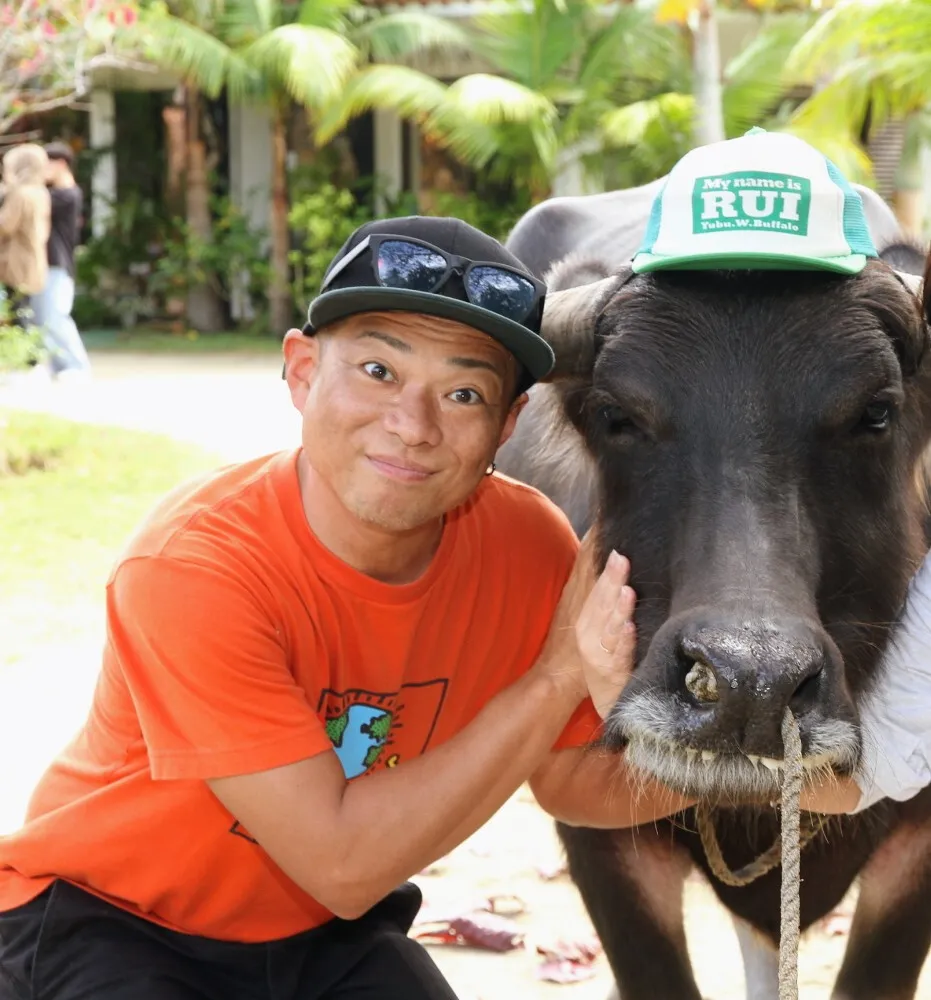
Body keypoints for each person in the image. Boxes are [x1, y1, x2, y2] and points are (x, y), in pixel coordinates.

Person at [0, 211, 927, 1000]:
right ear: (298, 372)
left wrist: (774, 749)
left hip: (325, 938)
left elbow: (566, 781)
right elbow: (341, 859)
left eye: (462, 391)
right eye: (376, 372)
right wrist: (562, 671)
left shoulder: (525, 548)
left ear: (509, 425)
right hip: (112, 924)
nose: (412, 424)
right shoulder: (195, 566)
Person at [29, 140, 90, 380]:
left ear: (61, 164)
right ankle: (60, 368)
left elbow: (35, 201)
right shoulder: (54, 195)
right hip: (46, 266)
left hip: (57, 265)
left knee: (55, 317)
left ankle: (76, 367)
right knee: (43, 318)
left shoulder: (66, 195)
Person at [0, 144, 50, 322]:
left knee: (18, 316)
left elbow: (5, 226)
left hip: (16, 263)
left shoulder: (20, 194)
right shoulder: (40, 192)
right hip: (32, 261)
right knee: (24, 312)